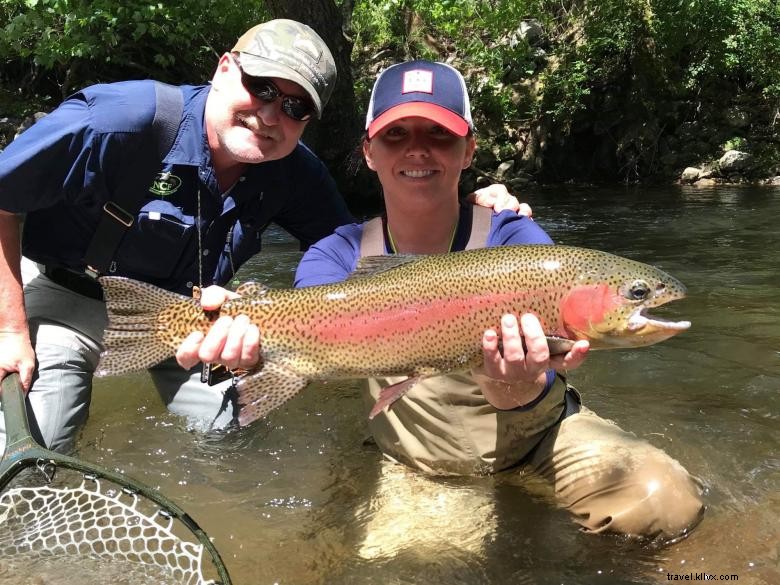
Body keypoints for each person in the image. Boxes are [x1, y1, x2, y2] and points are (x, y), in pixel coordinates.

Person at [0, 20, 524, 453]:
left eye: (296, 108)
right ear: (225, 68)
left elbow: (363, 258)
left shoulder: (296, 173)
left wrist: (463, 208)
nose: (271, 115)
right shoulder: (119, 121)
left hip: (197, 318)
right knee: (38, 444)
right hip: (67, 294)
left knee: (236, 442)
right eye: (263, 88)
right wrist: (9, 327)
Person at [289, 60, 706, 543]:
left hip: (541, 439)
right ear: (368, 151)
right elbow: (299, 335)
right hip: (417, 462)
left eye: (440, 135)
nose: (417, 149)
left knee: (666, 504)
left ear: (468, 150)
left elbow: (552, 370)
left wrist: (515, 386)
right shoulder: (337, 254)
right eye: (396, 134)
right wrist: (241, 338)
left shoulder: (515, 236)